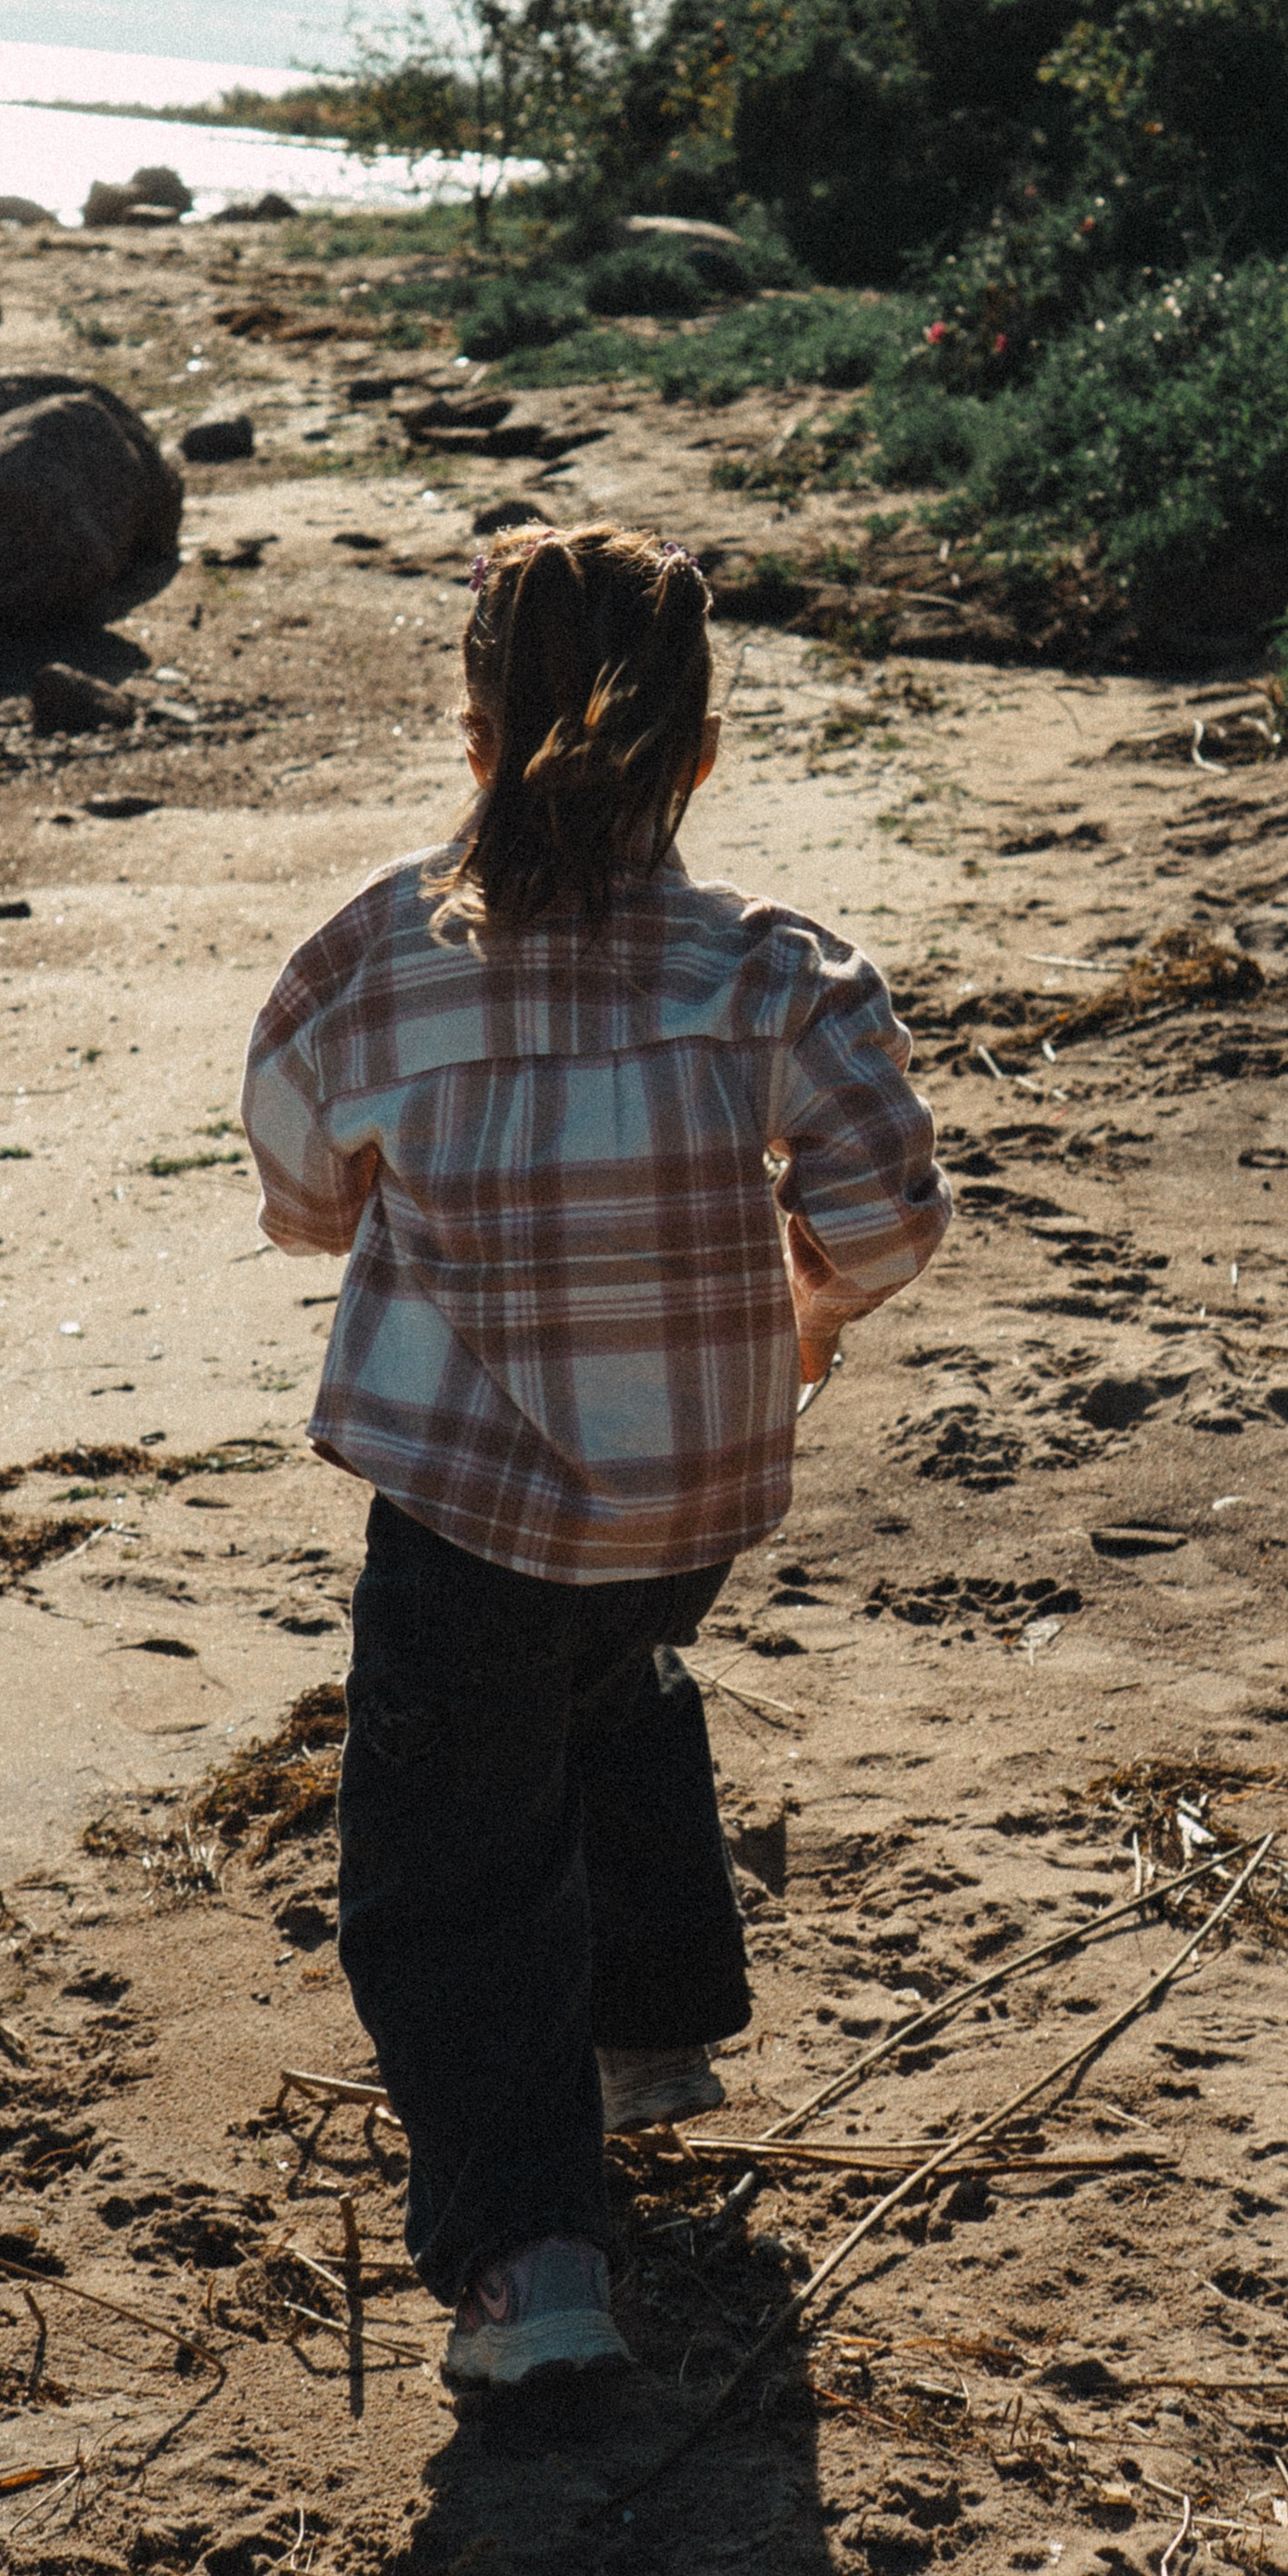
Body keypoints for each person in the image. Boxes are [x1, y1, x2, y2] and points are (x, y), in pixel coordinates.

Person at [240, 522, 948, 2390]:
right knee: (613, 1682)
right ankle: (643, 2036)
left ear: (474, 745)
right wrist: (794, 1312)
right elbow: (886, 1218)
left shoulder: (379, 961)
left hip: (473, 1500)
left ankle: (531, 2269)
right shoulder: (777, 973)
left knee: (450, 1861)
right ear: (698, 760)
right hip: (696, 1488)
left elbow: (303, 1194)